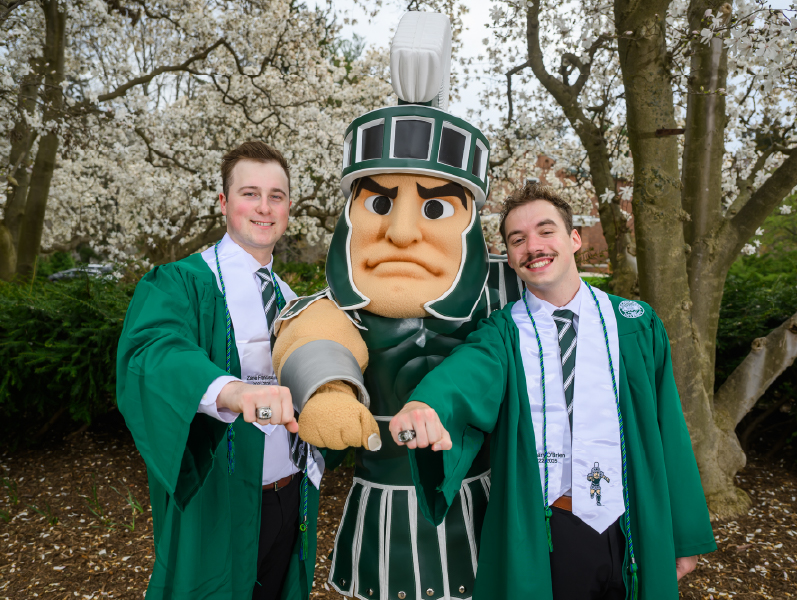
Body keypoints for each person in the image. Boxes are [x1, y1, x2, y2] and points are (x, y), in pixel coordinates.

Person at [270, 12, 521, 600]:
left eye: (435, 208)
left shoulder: (506, 293)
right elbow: (315, 334)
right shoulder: (338, 304)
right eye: (380, 204)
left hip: (482, 504)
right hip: (379, 511)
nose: (402, 232)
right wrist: (329, 390)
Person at [389, 182, 717, 600]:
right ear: (510, 257)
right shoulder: (504, 333)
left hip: (633, 520)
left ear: (574, 238)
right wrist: (425, 404)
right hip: (552, 531)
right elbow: (464, 376)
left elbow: (667, 425)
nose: (533, 247)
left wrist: (684, 534)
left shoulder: (634, 323)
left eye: (546, 231)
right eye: (517, 240)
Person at [117, 141, 322, 600]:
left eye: (276, 196)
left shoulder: (293, 301)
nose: (264, 207)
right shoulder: (183, 282)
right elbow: (154, 351)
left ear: (289, 207)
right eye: (250, 194)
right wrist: (232, 391)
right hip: (220, 498)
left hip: (292, 494)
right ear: (224, 203)